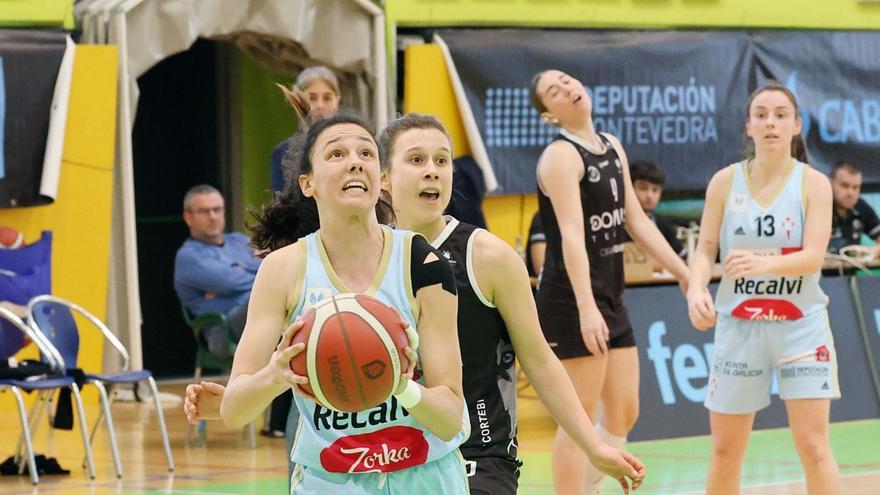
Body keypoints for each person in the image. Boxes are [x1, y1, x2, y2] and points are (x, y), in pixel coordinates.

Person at [186, 113, 646, 494]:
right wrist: (266, 381)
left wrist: (592, 444)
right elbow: (249, 401)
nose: (433, 170)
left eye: (442, 160)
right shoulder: (292, 267)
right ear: (386, 180)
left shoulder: (450, 259)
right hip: (339, 465)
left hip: (465, 451)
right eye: (418, 159)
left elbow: (532, 363)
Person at [219, 110, 471, 493]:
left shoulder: (421, 261)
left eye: (366, 153)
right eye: (337, 154)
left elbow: (451, 417)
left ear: (379, 178)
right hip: (331, 482)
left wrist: (400, 384)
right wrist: (276, 375)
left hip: (426, 477)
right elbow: (234, 409)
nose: (355, 161)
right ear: (308, 183)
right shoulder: (284, 270)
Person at [528, 69, 689, 495]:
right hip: (570, 300)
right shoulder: (560, 157)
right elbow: (571, 238)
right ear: (549, 115)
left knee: (624, 411)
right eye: (553, 91)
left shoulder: (611, 145)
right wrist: (585, 307)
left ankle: (588, 487)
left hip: (610, 296)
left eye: (567, 81)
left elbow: (635, 221)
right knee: (578, 417)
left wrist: (684, 273)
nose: (567, 88)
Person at [687, 80, 841, 495]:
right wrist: (696, 288)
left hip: (801, 327)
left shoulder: (814, 184)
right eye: (760, 115)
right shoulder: (724, 182)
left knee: (814, 447)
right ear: (748, 127)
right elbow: (704, 250)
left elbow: (814, 256)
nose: (770, 122)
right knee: (724, 450)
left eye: (779, 115)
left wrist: (762, 263)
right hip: (739, 326)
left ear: (796, 126)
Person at [174, 184, 260, 357]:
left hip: (258, 319)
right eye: (204, 211)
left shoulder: (238, 240)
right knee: (272, 292)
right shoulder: (188, 256)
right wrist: (260, 271)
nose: (212, 217)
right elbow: (230, 283)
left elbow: (273, 263)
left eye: (217, 209)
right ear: (188, 217)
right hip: (222, 329)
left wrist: (244, 271)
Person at [271, 66, 341, 192]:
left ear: (337, 100)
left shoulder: (350, 146)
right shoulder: (283, 153)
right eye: (312, 98)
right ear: (298, 100)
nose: (320, 105)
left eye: (327, 98)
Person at [626, 161, 687, 259]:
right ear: (630, 188)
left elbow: (683, 256)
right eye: (643, 188)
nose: (650, 196)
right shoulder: (618, 225)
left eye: (655, 190)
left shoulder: (664, 225)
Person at [828, 160, 880, 256]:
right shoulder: (819, 206)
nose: (850, 193)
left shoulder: (861, 206)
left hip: (850, 270)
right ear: (830, 183)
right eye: (844, 185)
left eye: (855, 187)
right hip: (819, 270)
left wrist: (873, 251)